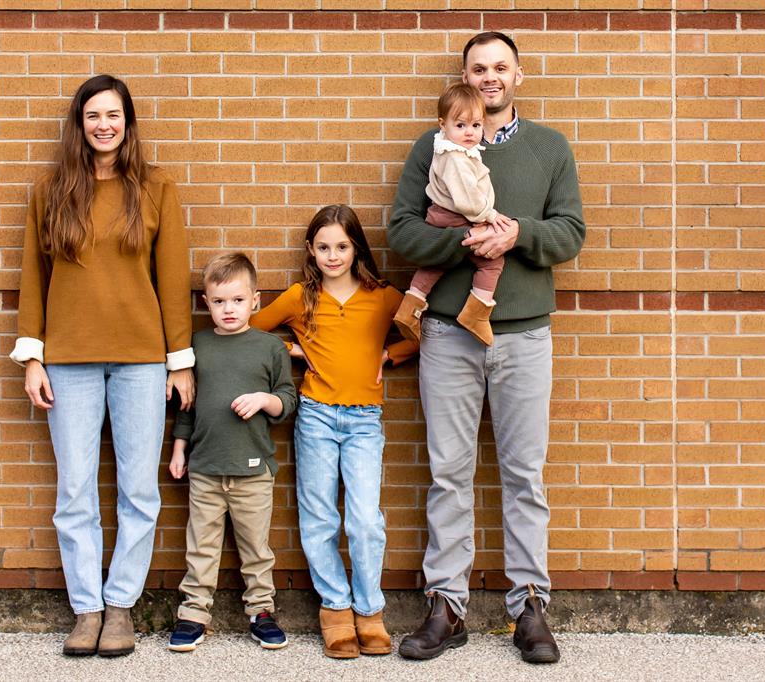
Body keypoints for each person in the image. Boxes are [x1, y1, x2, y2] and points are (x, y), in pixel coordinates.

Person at [387, 32, 585, 664]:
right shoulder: (434, 145)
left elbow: (571, 233)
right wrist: (470, 242)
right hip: (447, 334)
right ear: (465, 77)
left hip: (524, 335)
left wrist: (516, 235)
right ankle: (446, 606)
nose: (490, 77)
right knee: (449, 473)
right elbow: (402, 233)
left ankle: (529, 608)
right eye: (479, 68)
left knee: (524, 474)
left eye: (501, 67)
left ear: (518, 75)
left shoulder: (549, 148)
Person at [10, 74, 195, 657]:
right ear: (79, 124)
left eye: (113, 114)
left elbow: (173, 279)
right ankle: (86, 608)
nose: (103, 125)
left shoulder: (156, 187)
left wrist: (179, 361)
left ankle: (120, 607)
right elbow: (33, 274)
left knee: (138, 490)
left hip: (141, 359)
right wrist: (32, 356)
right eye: (93, 115)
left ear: (127, 122)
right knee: (75, 491)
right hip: (68, 360)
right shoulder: (51, 189)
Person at [251, 205, 418, 659]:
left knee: (364, 521)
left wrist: (390, 355)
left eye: (342, 246)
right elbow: (250, 331)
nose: (333, 256)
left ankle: (370, 610)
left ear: (356, 248)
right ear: (311, 250)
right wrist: (292, 349)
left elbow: (423, 332)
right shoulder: (299, 297)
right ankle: (335, 609)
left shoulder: (382, 296)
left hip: (364, 420)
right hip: (316, 416)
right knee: (320, 517)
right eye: (323, 247)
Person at [166, 253, 297, 653]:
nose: (229, 309)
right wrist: (179, 448)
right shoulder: (198, 346)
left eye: (238, 300)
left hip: (253, 470)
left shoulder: (269, 347)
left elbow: (288, 398)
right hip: (205, 468)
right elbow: (187, 406)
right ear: (206, 302)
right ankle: (194, 613)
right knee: (201, 546)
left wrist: (263, 400)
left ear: (255, 301)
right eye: (220, 301)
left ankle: (261, 612)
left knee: (256, 548)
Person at [393, 82, 517, 347]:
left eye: (476, 125)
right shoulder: (455, 157)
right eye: (460, 125)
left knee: (436, 262)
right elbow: (467, 197)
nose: (469, 132)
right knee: (491, 262)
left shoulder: (451, 149)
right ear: (443, 124)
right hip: (456, 216)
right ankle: (476, 313)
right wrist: (488, 215)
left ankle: (409, 308)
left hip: (441, 214)